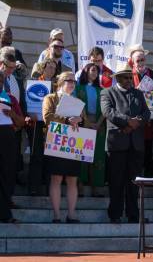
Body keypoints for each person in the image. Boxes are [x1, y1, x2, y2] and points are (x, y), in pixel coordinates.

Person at [100, 63, 150, 223]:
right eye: (125, 77)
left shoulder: (138, 94)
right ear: (118, 78)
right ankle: (115, 214)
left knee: (134, 182)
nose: (129, 80)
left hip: (135, 144)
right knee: (116, 181)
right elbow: (108, 112)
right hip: (117, 144)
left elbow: (146, 112)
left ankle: (133, 214)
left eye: (130, 77)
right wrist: (128, 122)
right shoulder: (107, 92)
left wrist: (137, 122)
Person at [42, 72, 86, 223]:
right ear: (61, 82)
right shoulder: (50, 98)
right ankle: (56, 214)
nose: (72, 83)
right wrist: (66, 119)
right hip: (56, 142)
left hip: (72, 144)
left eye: (74, 81)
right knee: (56, 178)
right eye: (69, 80)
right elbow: (47, 117)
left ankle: (71, 214)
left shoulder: (77, 101)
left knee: (72, 179)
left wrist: (80, 119)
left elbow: (83, 122)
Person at [129, 44, 153, 177]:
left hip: (151, 118)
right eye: (138, 60)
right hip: (134, 118)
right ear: (133, 62)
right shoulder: (127, 76)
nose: (141, 63)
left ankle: (149, 178)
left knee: (149, 149)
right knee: (135, 150)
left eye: (143, 60)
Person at [27, 58, 58, 195]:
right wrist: (29, 113)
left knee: (51, 157)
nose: (51, 70)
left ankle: (49, 189)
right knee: (37, 155)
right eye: (49, 67)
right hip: (37, 124)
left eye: (53, 68)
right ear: (43, 68)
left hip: (53, 124)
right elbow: (27, 101)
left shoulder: (57, 86)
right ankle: (34, 187)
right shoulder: (34, 83)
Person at [76, 63, 106, 196]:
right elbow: (78, 104)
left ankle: (95, 187)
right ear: (86, 71)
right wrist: (87, 122)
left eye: (97, 71)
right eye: (93, 70)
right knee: (82, 156)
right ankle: (80, 186)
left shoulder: (101, 90)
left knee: (96, 156)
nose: (95, 73)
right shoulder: (78, 88)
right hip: (83, 123)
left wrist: (98, 123)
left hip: (98, 125)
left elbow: (105, 109)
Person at [0, 70, 24, 223]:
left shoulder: (10, 97)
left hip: (7, 136)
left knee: (6, 174)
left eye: (0, 81)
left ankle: (4, 212)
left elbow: (21, 122)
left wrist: (13, 115)